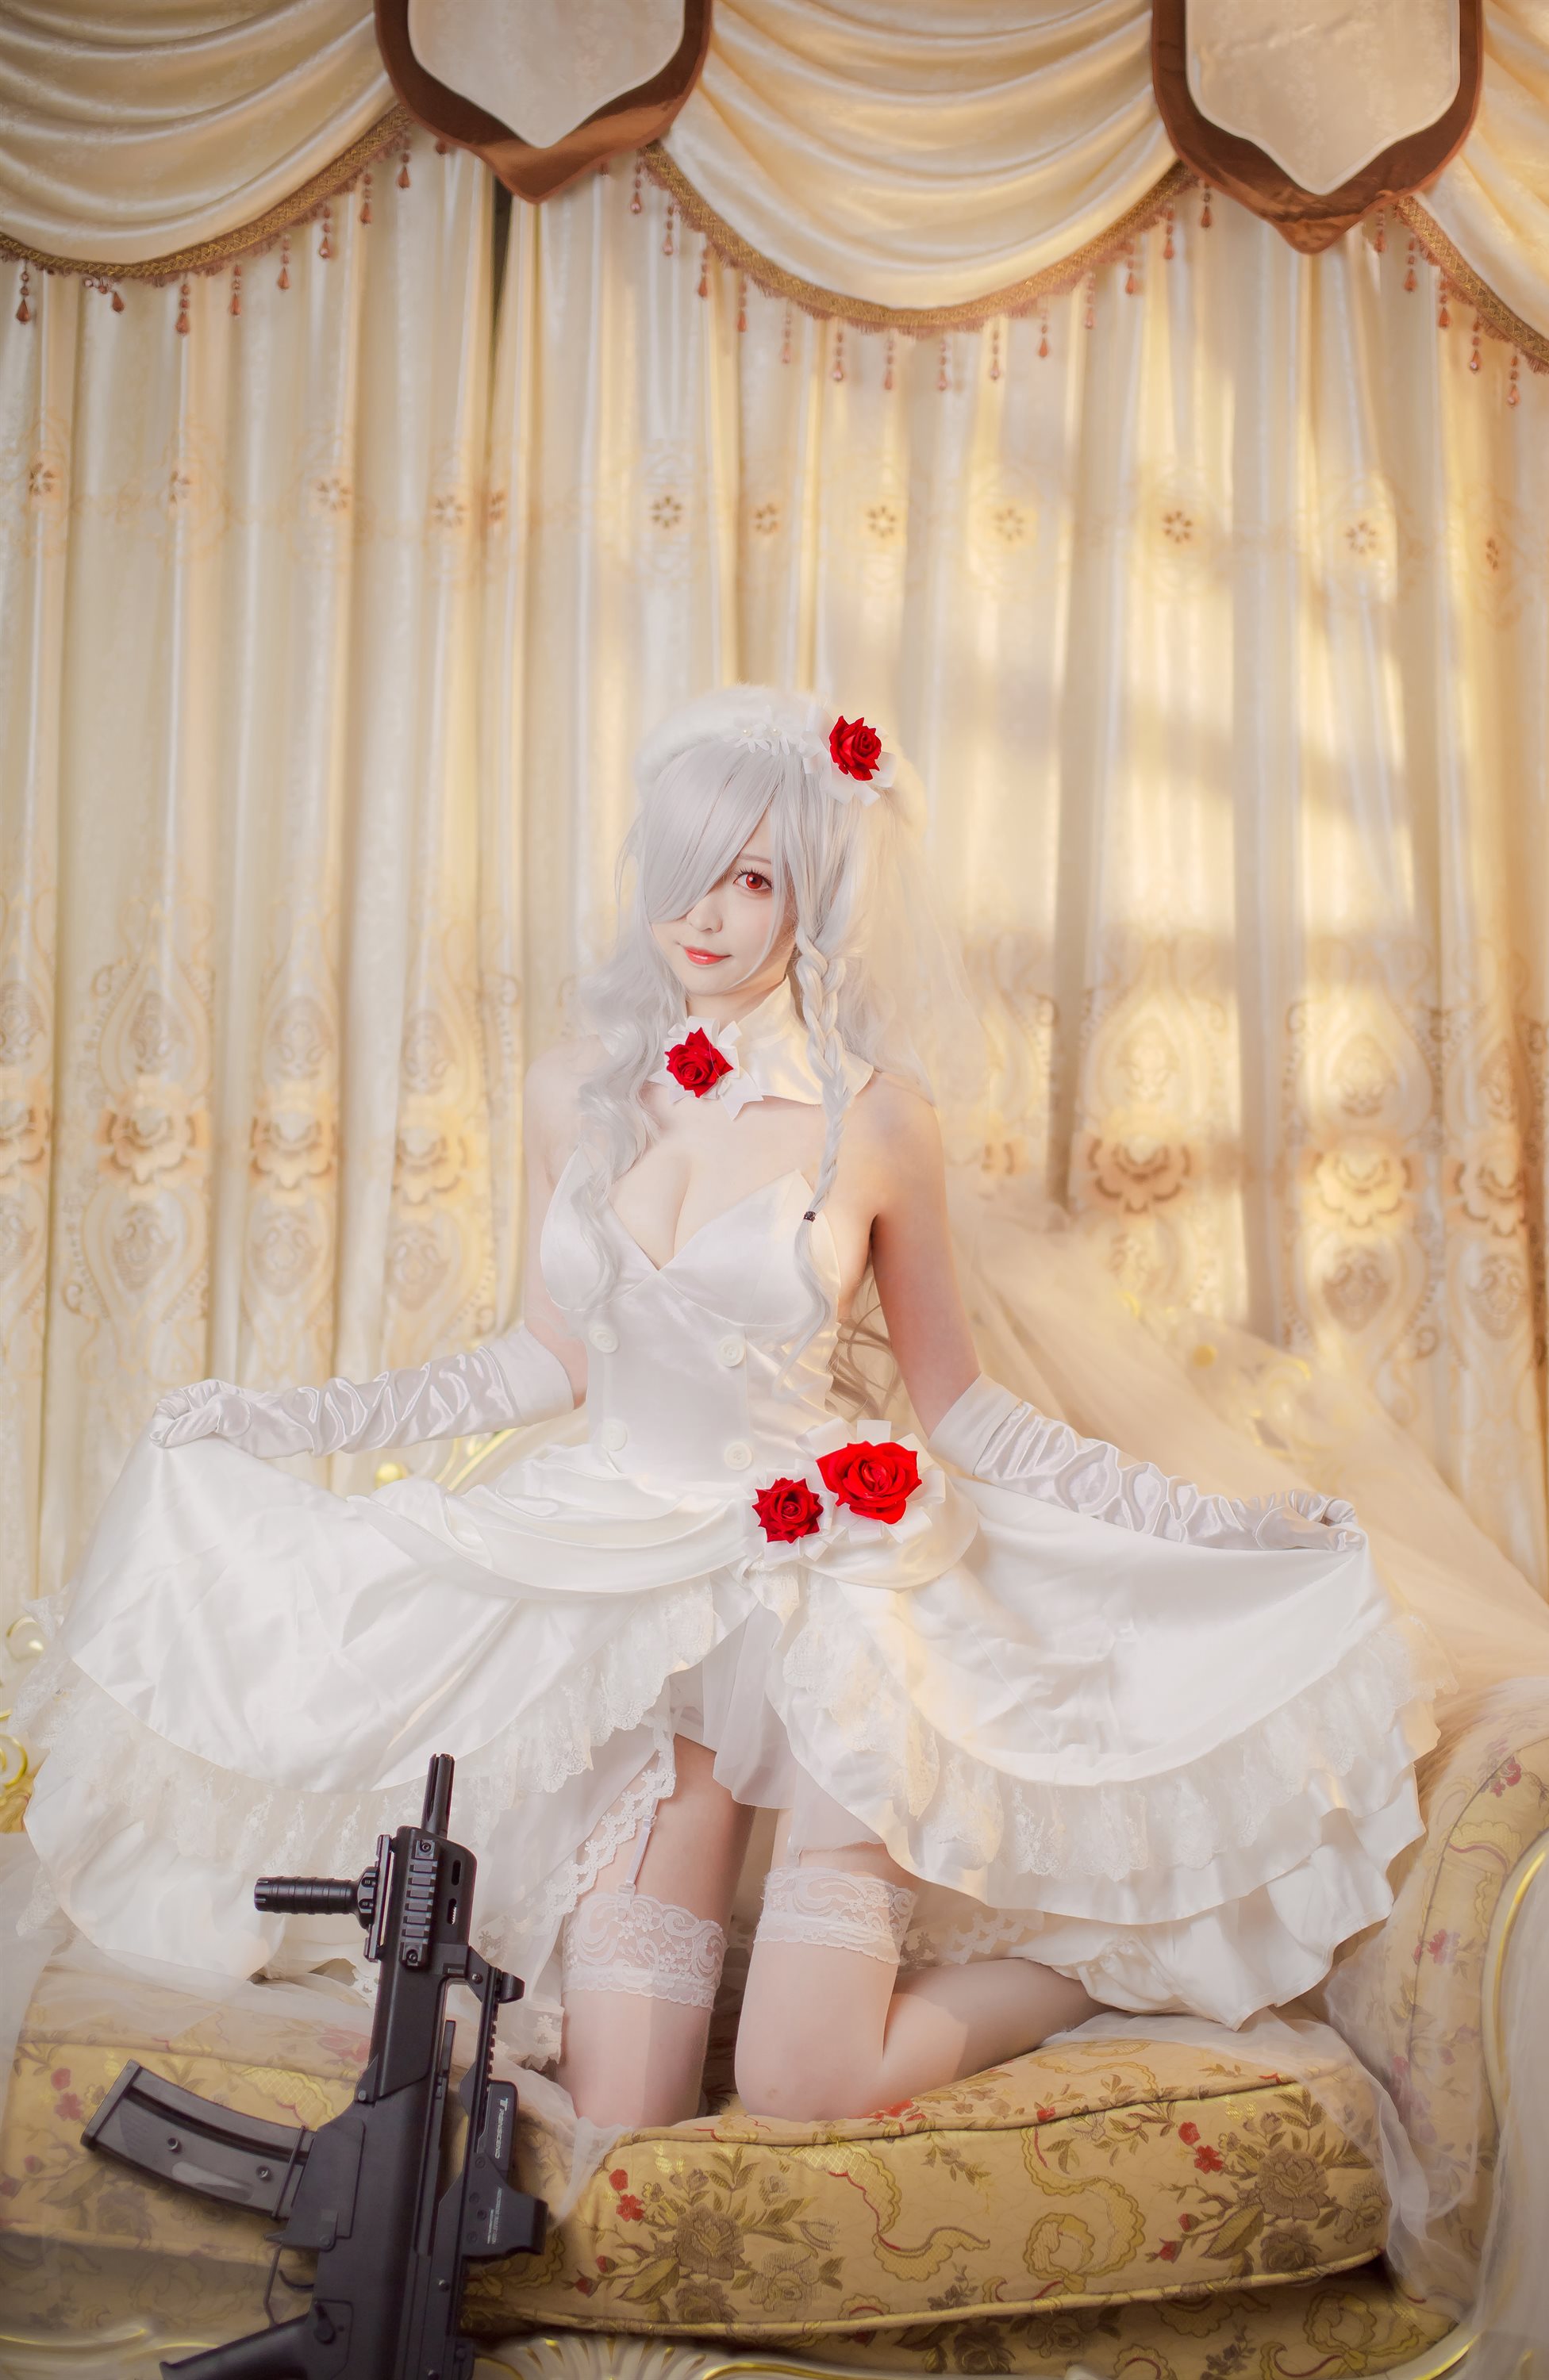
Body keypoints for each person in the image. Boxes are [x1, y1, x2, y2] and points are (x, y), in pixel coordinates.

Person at [18, 686, 1442, 2131]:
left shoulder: (876, 1118)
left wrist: (1217, 1523)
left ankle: (1080, 1973)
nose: (702, 914)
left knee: (801, 2082)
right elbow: (543, 1364)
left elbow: (962, 1409)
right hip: (637, 1595)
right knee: (622, 2105)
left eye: (752, 880)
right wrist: (277, 1422)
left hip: (831, 1608)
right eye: (684, 868)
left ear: (816, 896)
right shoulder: (574, 1092)